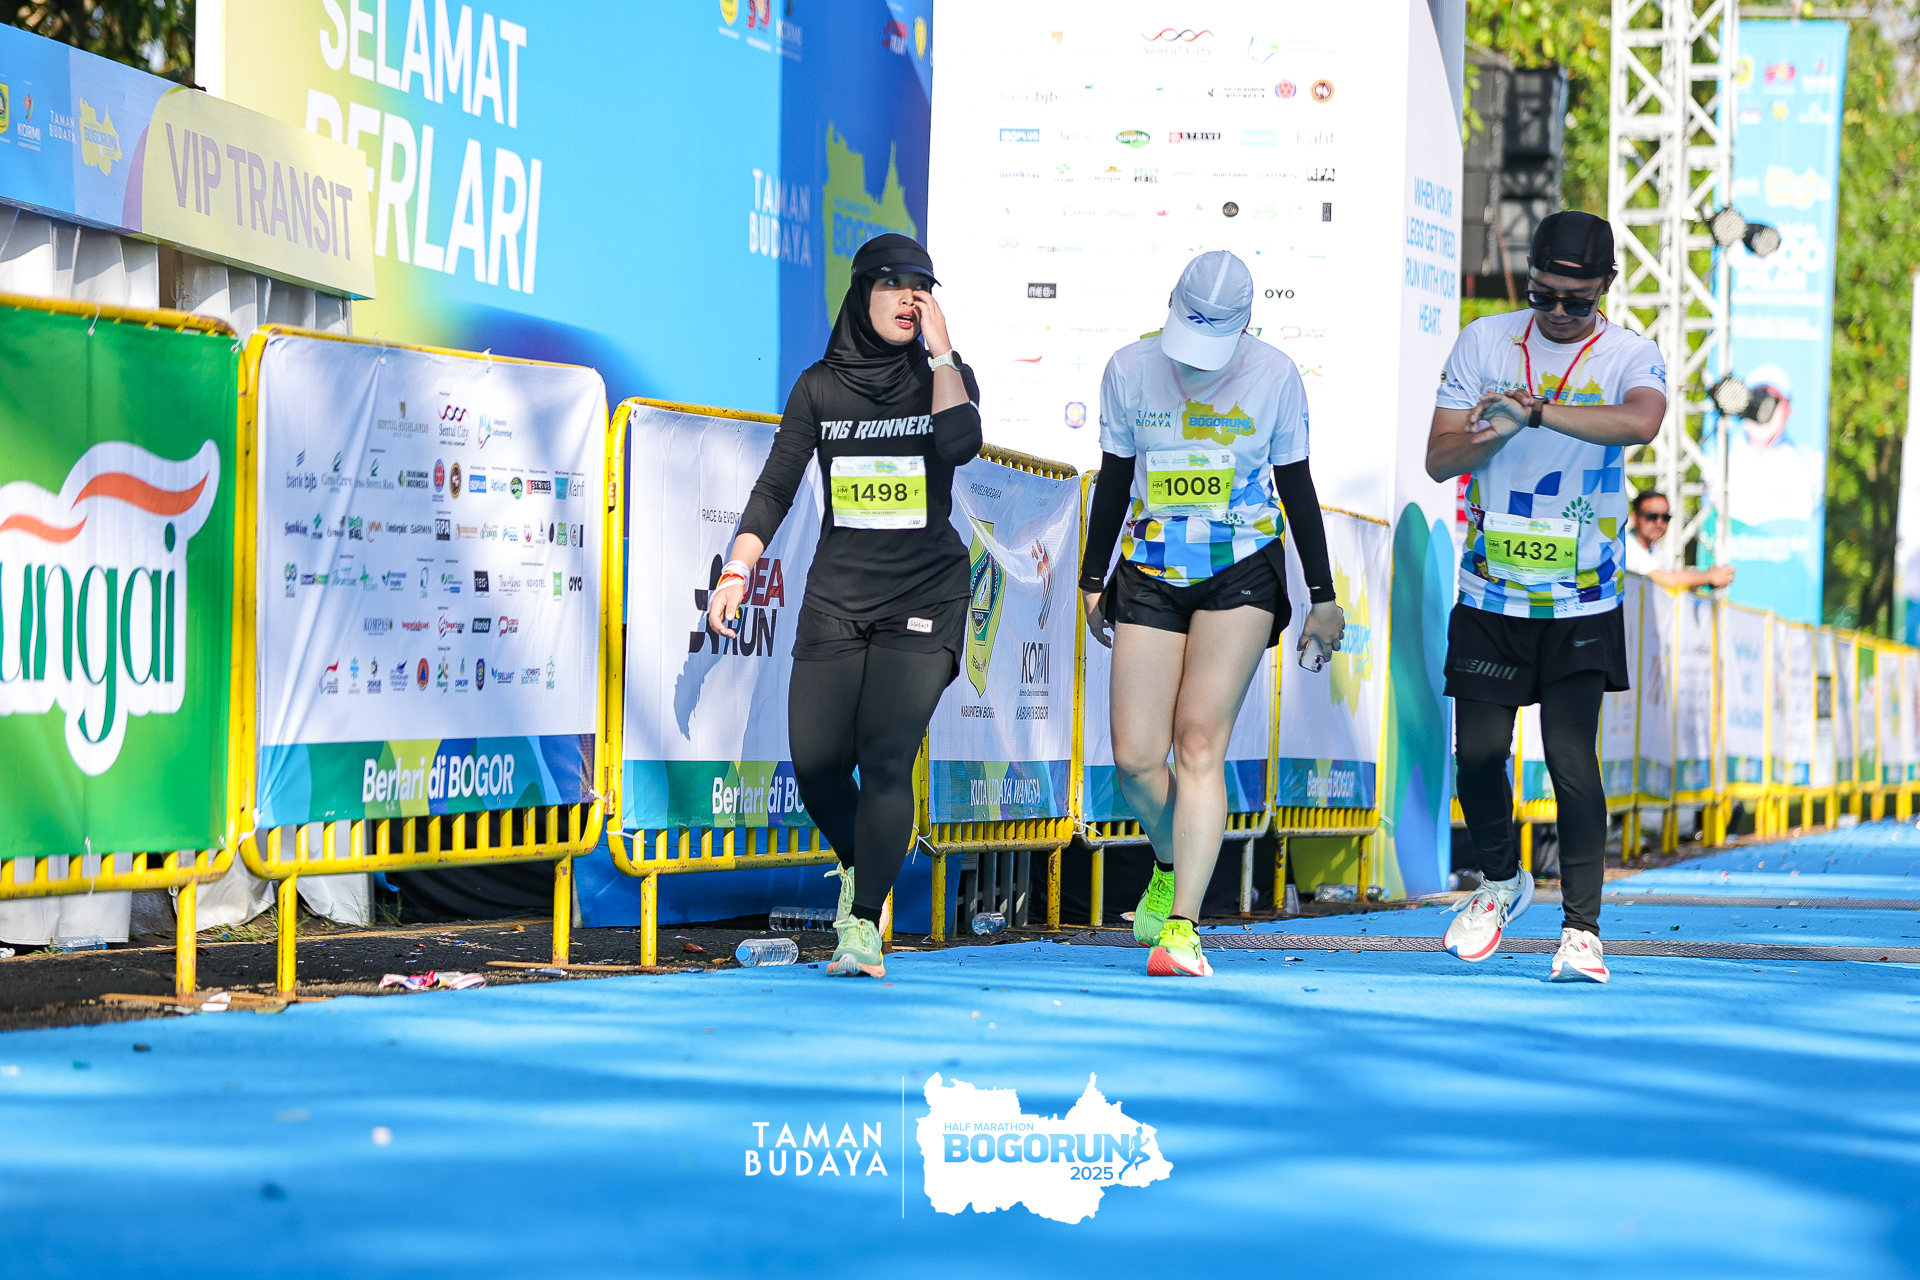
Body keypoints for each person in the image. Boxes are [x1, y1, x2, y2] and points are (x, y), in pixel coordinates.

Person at [708, 233, 981, 979]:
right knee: (818, 765)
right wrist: (737, 570)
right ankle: (866, 865)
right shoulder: (818, 388)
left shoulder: (944, 379)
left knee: (885, 756)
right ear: (861, 294)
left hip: (925, 595)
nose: (909, 297)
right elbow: (775, 486)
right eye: (893, 283)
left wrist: (944, 354)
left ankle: (861, 925)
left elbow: (961, 444)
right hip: (838, 595)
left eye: (923, 286)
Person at [1080, 250, 1345, 978]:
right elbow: (1115, 479)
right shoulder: (1128, 369)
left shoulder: (1276, 375)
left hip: (1241, 567)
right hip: (1151, 567)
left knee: (1198, 743)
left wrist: (1323, 596)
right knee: (1136, 760)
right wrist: (1093, 579)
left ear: (1246, 324)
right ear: (1170, 303)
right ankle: (1171, 862)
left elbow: (1297, 486)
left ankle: (1184, 930)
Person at [1425, 210, 1665, 984]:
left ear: (1606, 288)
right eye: (1543, 295)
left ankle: (1582, 930)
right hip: (1491, 591)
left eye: (1576, 300)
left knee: (1571, 761)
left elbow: (1642, 422)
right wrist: (1494, 431)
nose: (1558, 312)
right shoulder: (1484, 342)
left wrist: (1534, 411)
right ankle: (1500, 881)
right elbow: (1439, 459)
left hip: (1581, 596)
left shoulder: (1631, 353)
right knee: (1478, 755)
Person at [1622, 489, 1734, 590]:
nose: (1659, 522)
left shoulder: (1654, 551)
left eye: (1665, 517)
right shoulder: (1627, 547)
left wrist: (1707, 577)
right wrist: (1710, 577)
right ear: (1634, 517)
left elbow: (1674, 575)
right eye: (1652, 516)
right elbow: (1670, 581)